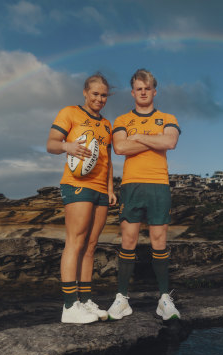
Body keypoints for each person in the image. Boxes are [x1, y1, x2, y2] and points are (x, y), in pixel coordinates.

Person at [107, 69, 181, 321]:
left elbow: (170, 142)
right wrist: (152, 139)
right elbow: (119, 147)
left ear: (154, 91)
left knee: (159, 239)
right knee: (128, 240)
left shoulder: (168, 117)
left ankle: (163, 299)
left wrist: (138, 137)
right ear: (133, 92)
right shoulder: (121, 119)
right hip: (131, 185)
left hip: (158, 184)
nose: (143, 92)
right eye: (139, 89)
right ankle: (122, 298)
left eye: (147, 88)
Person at [46, 73, 117, 324]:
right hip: (77, 184)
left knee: (91, 245)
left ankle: (85, 301)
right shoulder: (70, 113)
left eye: (104, 95)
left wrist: (110, 189)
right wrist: (68, 146)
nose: (99, 99)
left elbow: (108, 161)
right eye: (95, 94)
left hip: (100, 188)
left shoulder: (108, 125)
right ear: (85, 93)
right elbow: (51, 143)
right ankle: (69, 306)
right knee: (74, 242)